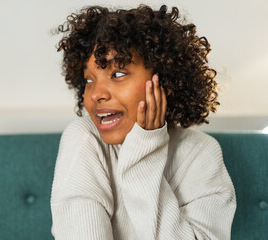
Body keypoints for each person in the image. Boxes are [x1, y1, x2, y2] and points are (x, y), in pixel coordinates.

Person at [50, 4, 237, 240]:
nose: (96, 94)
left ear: (164, 81)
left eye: (117, 74)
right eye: (89, 79)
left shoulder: (201, 154)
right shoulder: (84, 139)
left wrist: (146, 150)